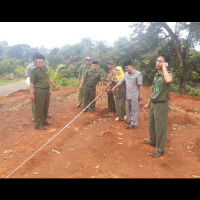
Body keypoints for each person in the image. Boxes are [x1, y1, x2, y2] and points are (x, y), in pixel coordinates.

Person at [143, 53, 173, 157]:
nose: (157, 62)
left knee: (160, 127)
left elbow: (168, 80)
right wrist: (148, 104)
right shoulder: (156, 76)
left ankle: (160, 149)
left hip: (161, 105)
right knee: (152, 125)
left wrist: (165, 69)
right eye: (157, 60)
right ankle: (153, 141)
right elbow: (154, 92)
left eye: (160, 61)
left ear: (165, 63)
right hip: (153, 104)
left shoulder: (167, 74)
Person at [112, 60, 143, 129]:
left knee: (134, 109)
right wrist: (114, 87)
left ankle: (133, 124)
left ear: (131, 66)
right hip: (128, 94)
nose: (126, 69)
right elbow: (121, 82)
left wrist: (140, 95)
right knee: (129, 109)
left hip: (134, 95)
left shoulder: (138, 74)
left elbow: (140, 85)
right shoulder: (126, 74)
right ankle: (130, 120)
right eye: (125, 68)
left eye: (127, 67)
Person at [30, 54, 53, 130]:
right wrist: (32, 93)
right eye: (38, 62)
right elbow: (32, 83)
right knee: (38, 108)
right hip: (39, 91)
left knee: (45, 107)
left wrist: (49, 90)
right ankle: (37, 124)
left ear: (44, 62)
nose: (40, 64)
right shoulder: (33, 70)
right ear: (36, 62)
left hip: (46, 90)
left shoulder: (46, 69)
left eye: (41, 62)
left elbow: (46, 80)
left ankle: (44, 121)